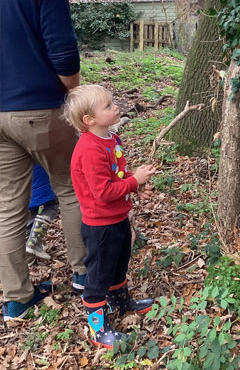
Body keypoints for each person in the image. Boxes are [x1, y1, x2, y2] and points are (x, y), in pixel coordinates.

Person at [0, 0, 87, 321]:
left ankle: (16, 297)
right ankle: (85, 274)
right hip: (39, 109)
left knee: (7, 207)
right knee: (70, 189)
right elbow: (64, 53)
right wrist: (75, 94)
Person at [63, 84, 156, 349]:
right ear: (88, 120)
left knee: (118, 264)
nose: (115, 107)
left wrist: (135, 185)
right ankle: (97, 327)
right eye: (107, 106)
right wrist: (133, 182)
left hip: (118, 218)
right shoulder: (90, 149)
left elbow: (117, 177)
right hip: (100, 226)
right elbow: (103, 193)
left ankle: (121, 301)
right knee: (99, 275)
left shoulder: (110, 139)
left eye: (113, 102)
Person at [26, 164, 60, 262]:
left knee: (30, 212)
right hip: (42, 185)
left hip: (21, 190)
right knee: (52, 205)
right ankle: (34, 242)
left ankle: (27, 253)